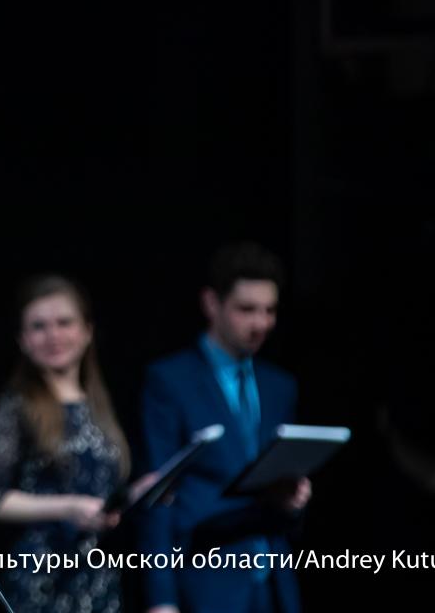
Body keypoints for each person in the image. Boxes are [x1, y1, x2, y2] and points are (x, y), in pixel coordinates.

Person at [140, 241, 312, 613]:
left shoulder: (280, 386)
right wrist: (161, 597)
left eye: (270, 310)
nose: (261, 324)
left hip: (273, 581)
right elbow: (158, 494)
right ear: (211, 303)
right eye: (246, 309)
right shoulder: (171, 381)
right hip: (206, 579)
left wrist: (292, 503)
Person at [0, 274, 137, 612]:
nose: (53, 336)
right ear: (22, 339)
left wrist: (137, 494)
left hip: (97, 577)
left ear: (87, 331)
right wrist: (67, 508)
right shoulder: (17, 407)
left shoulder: (98, 404)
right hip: (44, 577)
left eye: (64, 323)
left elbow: (100, 491)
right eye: (39, 326)